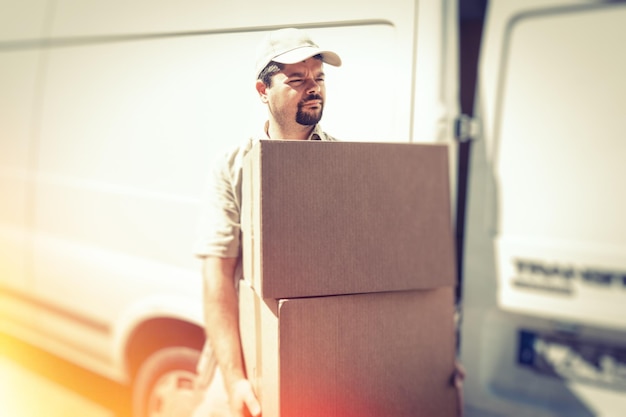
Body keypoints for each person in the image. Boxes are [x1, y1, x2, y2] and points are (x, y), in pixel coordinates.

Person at [191, 27, 342, 417]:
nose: (313, 88)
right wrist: (235, 380)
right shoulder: (232, 167)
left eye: (319, 77)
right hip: (247, 355)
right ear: (263, 91)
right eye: (297, 79)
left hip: (320, 358)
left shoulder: (347, 165)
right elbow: (216, 279)